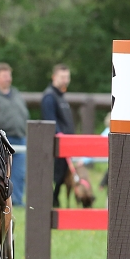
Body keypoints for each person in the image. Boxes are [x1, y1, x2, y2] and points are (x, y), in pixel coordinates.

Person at [0, 63, 28, 206]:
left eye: (9, 75)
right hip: (1, 140)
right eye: (4, 76)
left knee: (19, 173)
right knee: (1, 173)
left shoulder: (16, 93)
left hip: (20, 138)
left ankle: (17, 201)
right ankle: (1, 201)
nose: (8, 79)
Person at [40, 64, 74, 207]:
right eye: (62, 77)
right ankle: (50, 201)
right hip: (57, 144)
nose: (65, 80)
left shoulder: (61, 96)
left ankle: (55, 201)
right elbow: (50, 119)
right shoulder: (49, 96)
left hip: (66, 144)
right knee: (56, 175)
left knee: (61, 176)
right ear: (54, 77)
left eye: (67, 77)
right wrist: (59, 135)